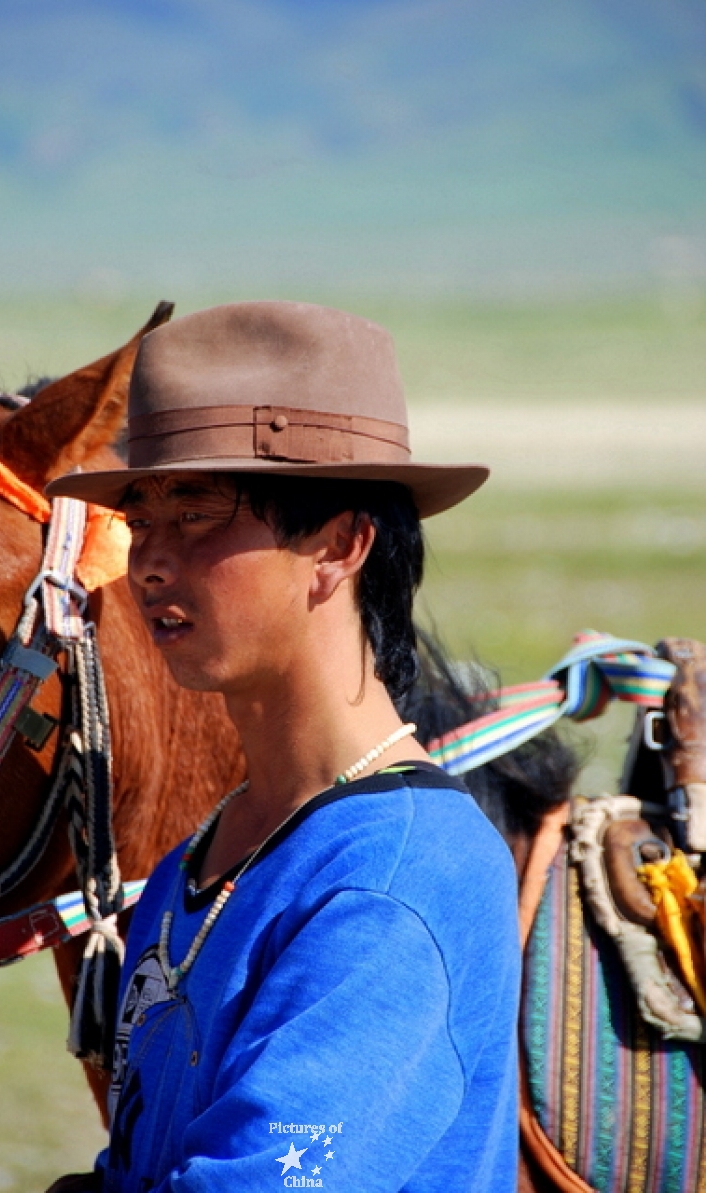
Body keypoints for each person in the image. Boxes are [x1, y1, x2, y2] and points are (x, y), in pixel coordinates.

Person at [46, 301, 520, 1193]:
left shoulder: (399, 877)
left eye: (196, 511)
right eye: (139, 518)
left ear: (339, 545)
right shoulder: (201, 860)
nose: (148, 559)